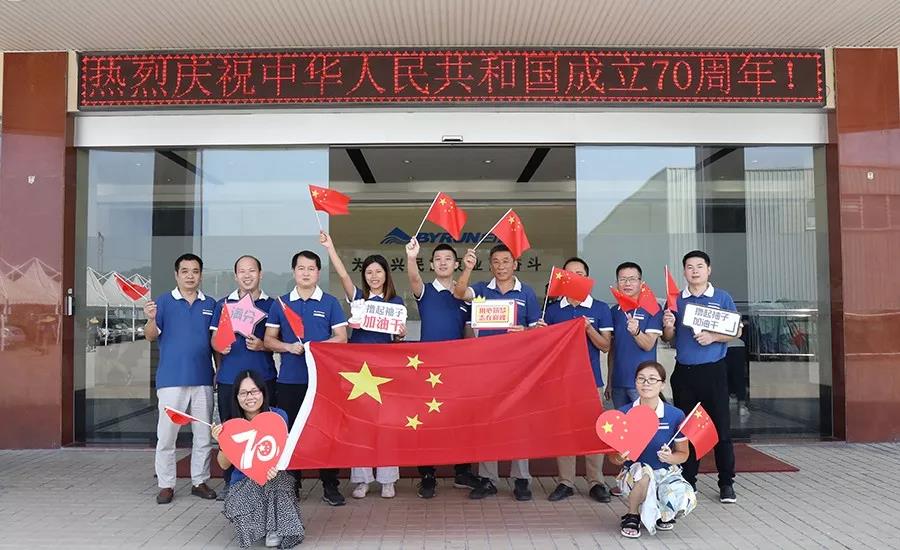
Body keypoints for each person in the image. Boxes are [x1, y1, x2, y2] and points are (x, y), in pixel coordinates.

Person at [453, 243, 541, 501]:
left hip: (518, 369)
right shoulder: (482, 289)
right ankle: (488, 479)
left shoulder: (526, 292)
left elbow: (538, 331)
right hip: (487, 369)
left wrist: (526, 331)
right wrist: (467, 268)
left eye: (506, 261)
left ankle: (521, 479)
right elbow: (459, 293)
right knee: (487, 422)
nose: (501, 266)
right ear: (490, 265)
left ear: (515, 264)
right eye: (496, 262)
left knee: (518, 423)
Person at [321, 231, 404, 499]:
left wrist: (400, 334)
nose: (374, 276)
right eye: (369, 272)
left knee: (386, 425)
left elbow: (397, 336)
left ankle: (388, 480)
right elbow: (343, 275)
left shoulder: (396, 302)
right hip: (358, 370)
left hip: (385, 370)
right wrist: (330, 247)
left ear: (386, 275)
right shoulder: (358, 299)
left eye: (378, 271)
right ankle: (362, 480)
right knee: (360, 425)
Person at [264, 250, 348, 506]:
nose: (306, 273)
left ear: (318, 273)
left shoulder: (330, 302)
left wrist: (316, 348)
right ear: (294, 272)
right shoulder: (280, 304)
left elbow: (342, 338)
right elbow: (269, 340)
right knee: (290, 433)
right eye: (301, 268)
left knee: (325, 432)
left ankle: (330, 484)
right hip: (290, 380)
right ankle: (293, 484)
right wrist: (289, 347)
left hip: (323, 381)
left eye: (311, 269)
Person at [661, 250, 739, 504]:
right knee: (687, 430)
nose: (694, 271)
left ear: (709, 270)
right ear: (684, 271)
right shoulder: (676, 300)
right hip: (684, 373)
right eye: (689, 267)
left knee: (721, 428)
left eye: (699, 266)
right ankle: (688, 480)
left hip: (713, 371)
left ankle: (726, 483)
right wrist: (668, 326)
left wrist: (713, 337)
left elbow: (736, 330)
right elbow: (668, 338)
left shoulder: (722, 297)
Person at [405, 239, 481, 498]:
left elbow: (468, 331)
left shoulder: (466, 295)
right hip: (428, 369)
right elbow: (413, 278)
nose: (443, 262)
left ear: (457, 264)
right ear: (431, 265)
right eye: (438, 259)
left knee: (460, 419)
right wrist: (411, 257)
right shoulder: (425, 291)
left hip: (457, 368)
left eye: (448, 258)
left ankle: (463, 471)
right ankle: (427, 474)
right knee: (428, 421)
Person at [538, 257, 614, 503]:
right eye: (569, 273)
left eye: (579, 273)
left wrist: (588, 329)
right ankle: (566, 482)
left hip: (591, 379)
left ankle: (596, 482)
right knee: (564, 431)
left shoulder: (600, 308)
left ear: (587, 278)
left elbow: (605, 346)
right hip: (561, 380)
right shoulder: (552, 310)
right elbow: (544, 349)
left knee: (594, 430)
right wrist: (540, 334)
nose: (574, 278)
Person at [144, 253, 218, 504]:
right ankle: (166, 484)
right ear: (176, 275)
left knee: (203, 435)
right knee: (167, 435)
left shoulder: (210, 304)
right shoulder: (163, 302)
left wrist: (217, 373)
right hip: (171, 379)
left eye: (195, 271)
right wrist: (151, 318)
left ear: (201, 275)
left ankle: (200, 481)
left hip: (202, 378)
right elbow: (150, 335)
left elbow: (215, 343)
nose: (190, 276)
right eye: (185, 271)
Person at [213, 370, 304, 549]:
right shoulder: (231, 424)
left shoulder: (278, 416)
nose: (249, 397)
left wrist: (274, 467)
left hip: (274, 476)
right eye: (243, 393)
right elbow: (224, 465)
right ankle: (265, 524)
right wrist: (223, 442)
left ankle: (275, 529)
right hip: (243, 482)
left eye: (254, 391)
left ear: (263, 392)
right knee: (248, 514)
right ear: (236, 397)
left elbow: (285, 452)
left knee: (276, 479)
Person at [210, 255, 276, 499]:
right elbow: (214, 339)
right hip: (229, 380)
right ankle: (232, 482)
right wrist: (220, 345)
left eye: (252, 270)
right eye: (242, 271)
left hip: (264, 379)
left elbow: (279, 342)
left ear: (261, 274)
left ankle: (264, 481)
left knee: (265, 433)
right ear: (235, 276)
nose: (247, 275)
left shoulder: (273, 305)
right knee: (231, 433)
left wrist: (262, 345)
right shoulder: (223, 304)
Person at [609, 361, 696, 539]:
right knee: (645, 473)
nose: (646, 383)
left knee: (685, 497)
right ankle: (632, 515)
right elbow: (612, 457)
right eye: (641, 379)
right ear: (635, 383)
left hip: (664, 472)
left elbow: (684, 454)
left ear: (662, 384)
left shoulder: (675, 415)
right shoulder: (623, 413)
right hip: (633, 475)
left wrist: (670, 458)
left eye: (652, 379)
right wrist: (619, 457)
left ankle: (662, 513)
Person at [607, 261, 664, 409]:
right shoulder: (614, 311)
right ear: (617, 283)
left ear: (641, 283)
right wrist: (609, 381)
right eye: (622, 279)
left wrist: (636, 332)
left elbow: (648, 345)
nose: (627, 283)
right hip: (618, 383)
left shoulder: (653, 308)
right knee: (622, 422)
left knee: (645, 422)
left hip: (643, 383)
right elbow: (613, 350)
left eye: (632, 279)